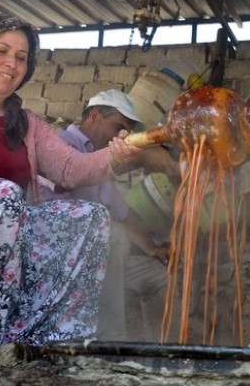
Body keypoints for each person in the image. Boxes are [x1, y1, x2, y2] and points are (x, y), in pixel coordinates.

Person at [0, 13, 143, 366]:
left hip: (0, 228)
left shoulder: (26, 124)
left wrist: (117, 156)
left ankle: (51, 339)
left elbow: (72, 169)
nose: (12, 63)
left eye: (22, 57)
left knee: (87, 216)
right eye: (1, 50)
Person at [38, 89, 175, 341]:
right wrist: (141, 156)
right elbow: (74, 175)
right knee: (115, 237)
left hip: (98, 261)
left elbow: (122, 214)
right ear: (94, 115)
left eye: (127, 132)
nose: (121, 136)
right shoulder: (62, 144)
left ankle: (160, 348)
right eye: (118, 127)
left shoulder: (104, 160)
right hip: (59, 258)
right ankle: (109, 340)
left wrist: (152, 248)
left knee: (161, 275)